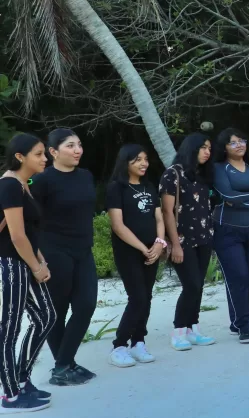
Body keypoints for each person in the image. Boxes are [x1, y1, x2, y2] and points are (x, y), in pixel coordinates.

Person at [31, 129, 97, 386]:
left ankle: (63, 364)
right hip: (54, 250)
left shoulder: (86, 176)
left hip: (83, 249)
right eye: (70, 146)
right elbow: (30, 219)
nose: (78, 150)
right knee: (57, 310)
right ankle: (64, 365)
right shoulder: (42, 180)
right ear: (54, 152)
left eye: (79, 145)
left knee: (86, 305)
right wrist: (36, 258)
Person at [0, 133, 57, 413]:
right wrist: (36, 266)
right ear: (20, 157)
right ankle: (10, 395)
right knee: (9, 329)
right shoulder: (9, 185)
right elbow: (17, 235)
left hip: (26, 261)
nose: (44, 158)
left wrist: (40, 261)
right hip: (10, 264)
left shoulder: (24, 184)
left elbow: (30, 234)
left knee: (46, 315)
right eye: (38, 154)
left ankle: (22, 378)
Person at [106, 144, 165, 368]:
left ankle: (138, 342)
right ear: (126, 162)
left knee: (147, 296)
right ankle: (119, 345)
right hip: (129, 251)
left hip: (153, 249)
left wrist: (159, 243)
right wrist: (143, 247)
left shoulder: (149, 186)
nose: (143, 163)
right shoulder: (116, 188)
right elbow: (118, 226)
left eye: (145, 159)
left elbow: (158, 218)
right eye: (137, 159)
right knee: (138, 296)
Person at [211, 128, 249, 343]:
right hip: (226, 230)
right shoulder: (219, 168)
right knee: (239, 276)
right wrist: (248, 197)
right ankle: (243, 325)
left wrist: (239, 200)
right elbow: (226, 194)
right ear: (224, 147)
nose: (239, 145)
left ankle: (242, 319)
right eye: (233, 142)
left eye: (242, 140)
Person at [160, 133, 217, 352]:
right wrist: (175, 244)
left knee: (199, 285)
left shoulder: (202, 175)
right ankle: (178, 331)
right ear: (190, 148)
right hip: (182, 239)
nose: (207, 152)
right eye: (202, 147)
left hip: (204, 236)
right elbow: (167, 211)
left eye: (209, 148)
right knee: (191, 284)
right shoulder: (172, 174)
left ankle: (193, 327)